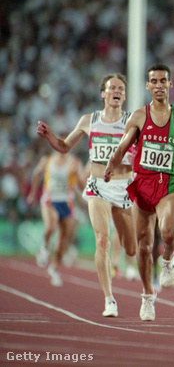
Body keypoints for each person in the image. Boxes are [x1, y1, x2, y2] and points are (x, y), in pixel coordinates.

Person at [104, 63, 174, 322]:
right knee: (143, 245)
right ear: (148, 86)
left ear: (170, 85)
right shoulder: (139, 116)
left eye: (164, 81)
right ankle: (147, 297)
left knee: (168, 231)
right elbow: (122, 146)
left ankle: (168, 257)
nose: (160, 85)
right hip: (143, 182)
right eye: (155, 81)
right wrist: (110, 166)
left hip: (171, 182)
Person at [35, 73, 137, 317]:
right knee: (102, 239)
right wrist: (50, 136)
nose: (116, 91)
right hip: (98, 185)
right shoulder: (89, 120)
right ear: (103, 93)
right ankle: (109, 299)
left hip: (123, 187)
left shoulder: (133, 121)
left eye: (121, 88)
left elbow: (146, 151)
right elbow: (64, 147)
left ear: (124, 95)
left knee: (131, 248)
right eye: (112, 87)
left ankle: (130, 263)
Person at [26, 151, 84, 286]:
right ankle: (45, 247)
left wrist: (76, 176)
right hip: (50, 200)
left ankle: (55, 268)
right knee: (50, 227)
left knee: (63, 240)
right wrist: (32, 194)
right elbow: (36, 173)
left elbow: (81, 186)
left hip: (66, 203)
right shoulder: (47, 159)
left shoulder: (75, 162)